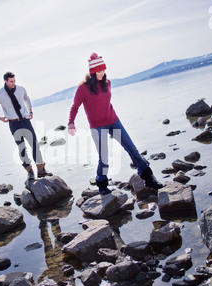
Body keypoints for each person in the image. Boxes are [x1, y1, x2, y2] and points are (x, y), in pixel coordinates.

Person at [67, 53, 163, 194]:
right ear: (93, 72)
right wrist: (71, 123)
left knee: (132, 149)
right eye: (99, 71)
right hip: (97, 126)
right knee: (104, 157)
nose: (102, 73)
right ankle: (102, 183)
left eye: (103, 70)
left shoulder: (107, 83)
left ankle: (149, 178)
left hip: (113, 121)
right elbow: (75, 106)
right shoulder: (83, 88)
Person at [0, 72, 52, 180]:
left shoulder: (21, 89)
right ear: (6, 81)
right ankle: (30, 172)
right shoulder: (0, 94)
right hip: (13, 124)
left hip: (25, 121)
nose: (14, 83)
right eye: (11, 81)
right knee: (22, 148)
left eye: (14, 80)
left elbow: (27, 99)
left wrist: (30, 111)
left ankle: (41, 171)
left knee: (35, 146)